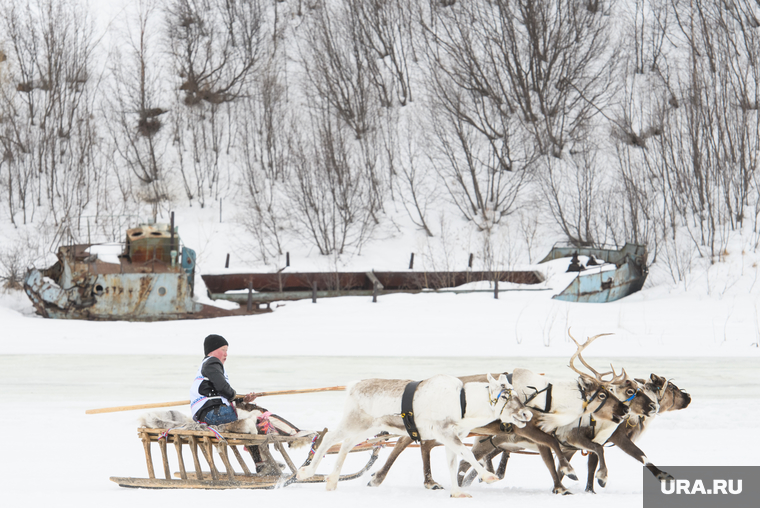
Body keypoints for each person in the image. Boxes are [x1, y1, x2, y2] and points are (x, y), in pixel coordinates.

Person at [190, 334, 256, 425]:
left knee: (250, 409)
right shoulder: (212, 362)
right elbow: (222, 388)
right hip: (212, 414)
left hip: (206, 414)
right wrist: (234, 395)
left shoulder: (207, 365)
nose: (226, 354)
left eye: (227, 351)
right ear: (212, 350)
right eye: (223, 350)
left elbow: (221, 393)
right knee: (256, 413)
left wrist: (242, 399)